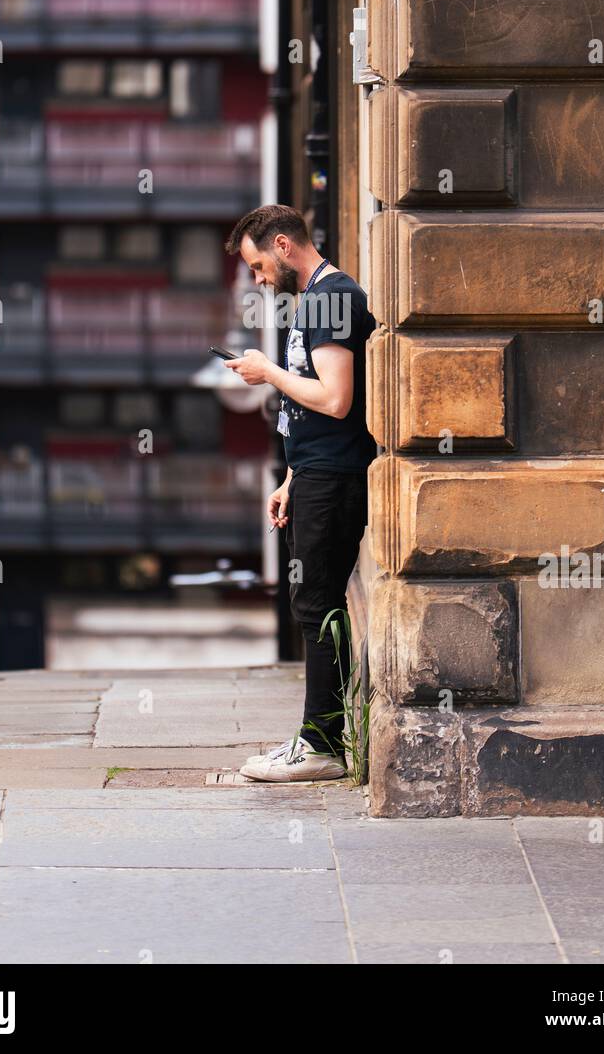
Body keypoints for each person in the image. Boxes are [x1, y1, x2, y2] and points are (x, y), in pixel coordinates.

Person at [223, 204, 377, 782]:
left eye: (260, 267)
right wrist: (290, 477)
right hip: (315, 476)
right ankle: (320, 739)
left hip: (335, 480)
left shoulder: (332, 297)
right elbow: (316, 409)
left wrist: (267, 371)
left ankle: (321, 746)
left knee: (316, 606)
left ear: (283, 245)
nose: (260, 280)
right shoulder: (315, 299)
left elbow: (336, 398)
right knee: (313, 605)